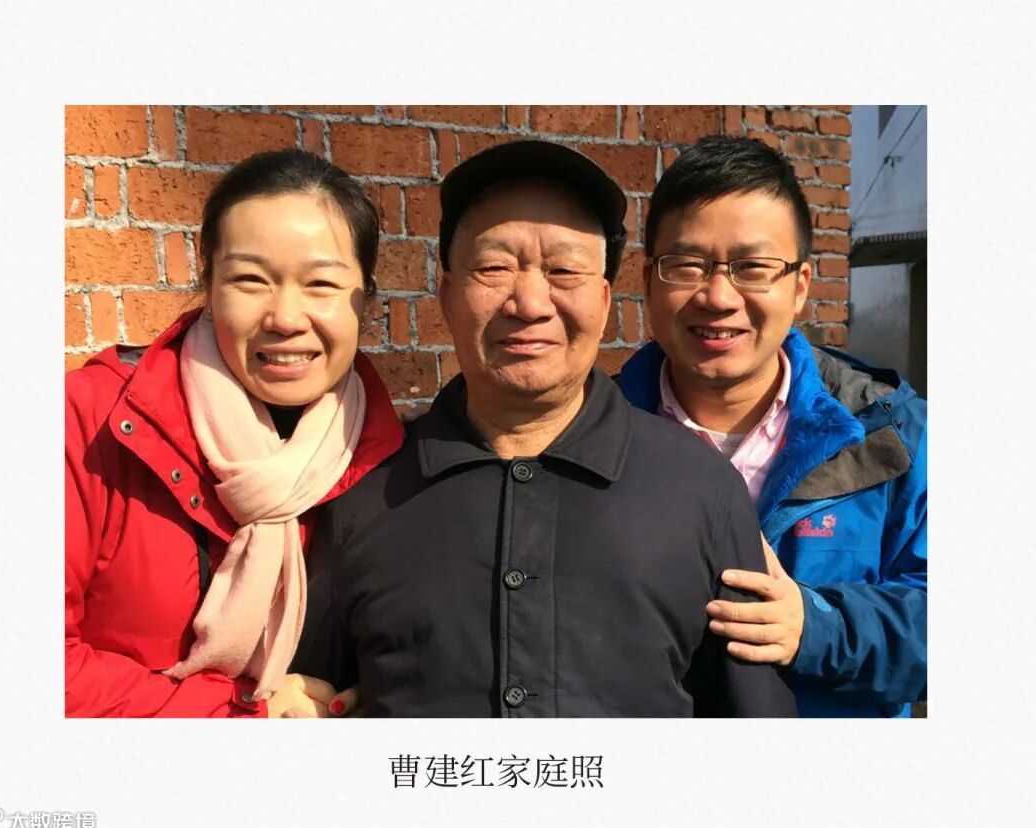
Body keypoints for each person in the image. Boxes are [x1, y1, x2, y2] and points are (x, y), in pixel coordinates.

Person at [293, 140, 796, 717]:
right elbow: (305, 691)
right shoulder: (361, 489)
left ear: (604, 301)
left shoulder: (701, 490)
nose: (529, 303)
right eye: (494, 268)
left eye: (563, 270)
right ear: (446, 296)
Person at [65, 149, 404, 717]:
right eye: (250, 280)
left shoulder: (386, 457)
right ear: (209, 283)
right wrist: (243, 714)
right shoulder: (92, 421)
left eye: (321, 283)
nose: (286, 317)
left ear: (365, 300)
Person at [618, 135, 927, 717]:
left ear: (800, 286)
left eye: (753, 268)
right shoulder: (591, 434)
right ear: (648, 278)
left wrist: (816, 626)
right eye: (687, 265)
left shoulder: (891, 434)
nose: (718, 296)